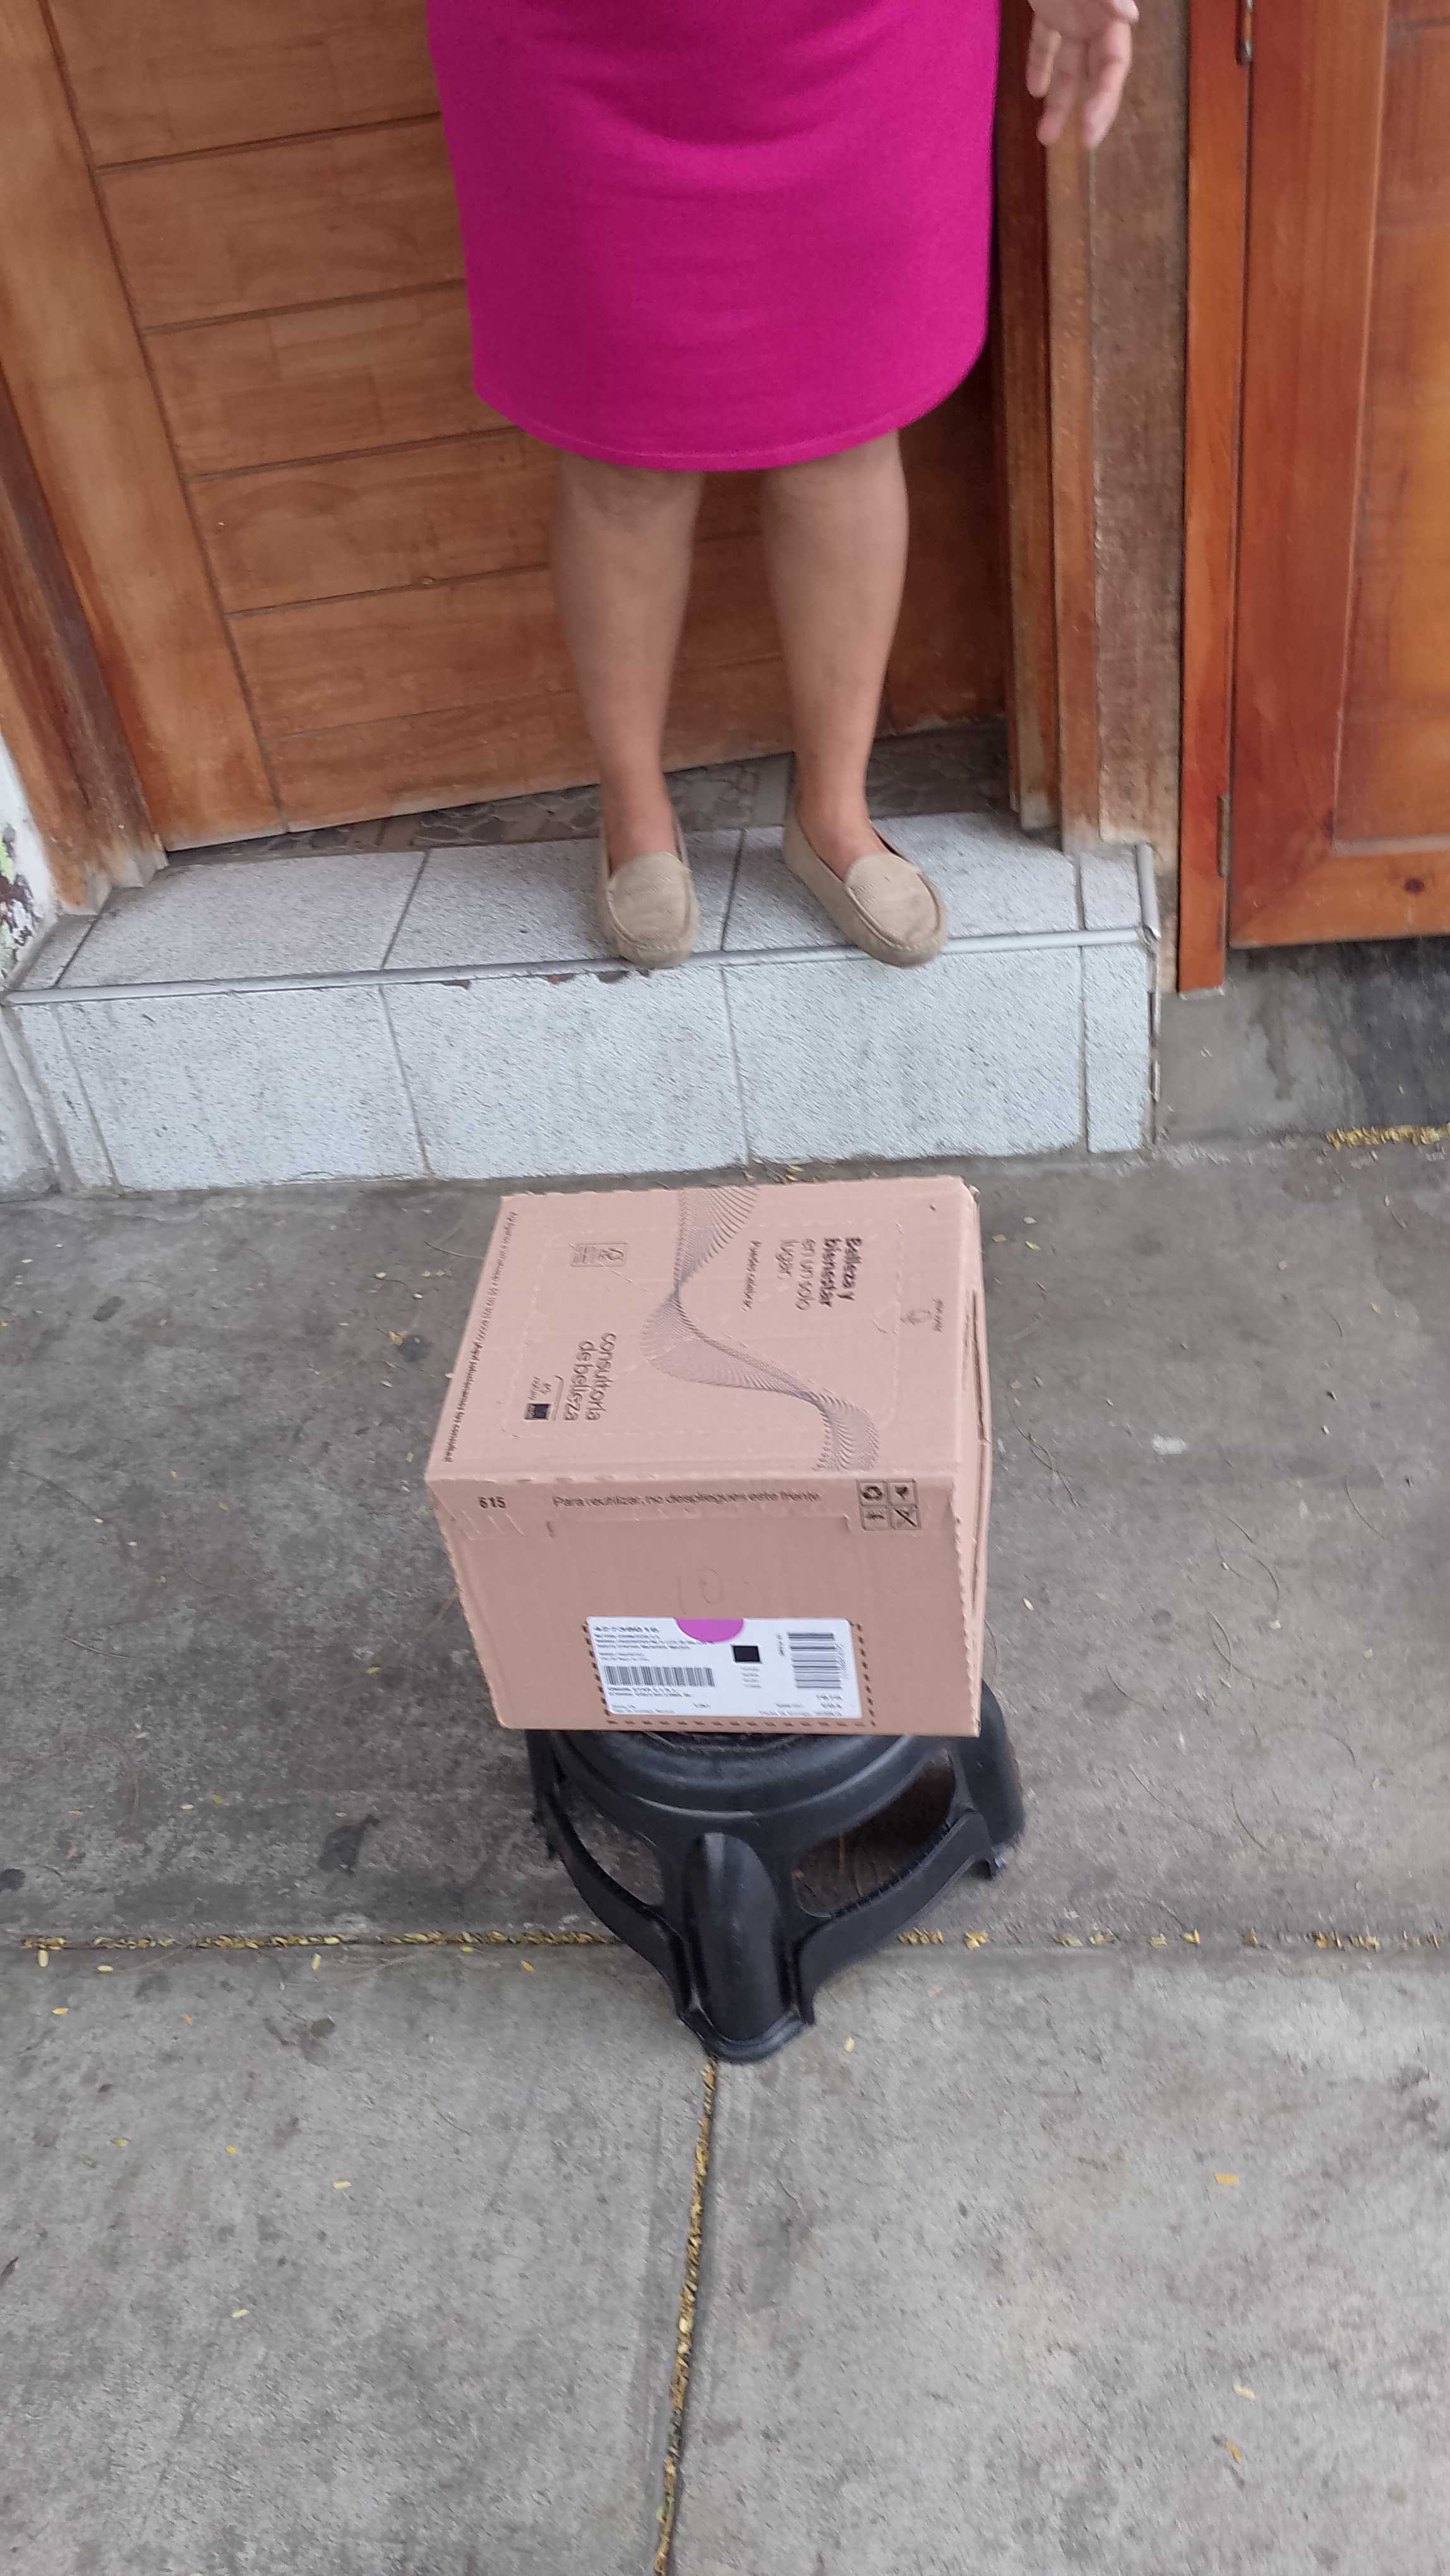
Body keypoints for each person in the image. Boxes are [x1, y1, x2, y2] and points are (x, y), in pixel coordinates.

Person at [429, 0, 1135, 970]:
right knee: (621, 444)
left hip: (860, 38)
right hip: (573, 41)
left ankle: (833, 815)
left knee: (845, 426)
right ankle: (634, 812)